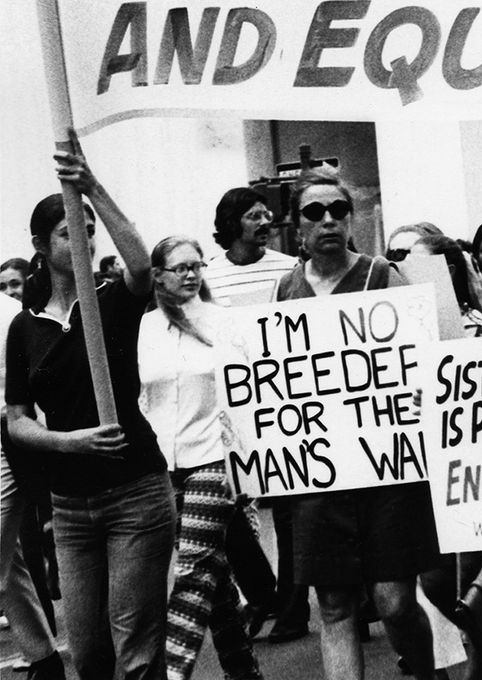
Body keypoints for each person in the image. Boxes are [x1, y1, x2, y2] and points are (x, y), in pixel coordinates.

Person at [4, 141, 176, 680]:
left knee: (137, 652)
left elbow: (143, 266)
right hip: (71, 508)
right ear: (39, 245)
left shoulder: (110, 301)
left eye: (88, 226)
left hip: (135, 495)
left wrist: (91, 185)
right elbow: (15, 417)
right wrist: (66, 443)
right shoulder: (24, 327)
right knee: (90, 654)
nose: (82, 236)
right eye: (66, 230)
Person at [276, 168, 441, 680]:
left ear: (351, 218)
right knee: (334, 607)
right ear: (296, 225)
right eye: (314, 212)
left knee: (393, 602)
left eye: (338, 210)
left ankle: (425, 667)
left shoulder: (380, 276)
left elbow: (421, 360)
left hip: (386, 471)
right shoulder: (286, 288)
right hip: (321, 475)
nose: (328, 220)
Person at [139, 236, 263, 680]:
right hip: (161, 466)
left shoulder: (224, 321)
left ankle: (172, 673)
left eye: (196, 266)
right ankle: (243, 671)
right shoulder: (144, 327)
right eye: (180, 268)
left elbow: (249, 393)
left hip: (214, 458)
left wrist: (246, 469)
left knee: (190, 568)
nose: (191, 274)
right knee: (214, 574)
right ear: (157, 276)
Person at [205, 187, 297, 642]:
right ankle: (262, 591)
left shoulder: (287, 268)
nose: (264, 222)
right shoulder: (209, 276)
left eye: (267, 215)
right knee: (233, 502)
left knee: (288, 505)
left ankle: (293, 607)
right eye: (253, 215)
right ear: (232, 222)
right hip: (229, 402)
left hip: (283, 397)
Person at [1, 290, 65, 680]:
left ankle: (46, 662)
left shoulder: (10, 316)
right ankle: (44, 660)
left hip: (8, 440)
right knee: (9, 564)